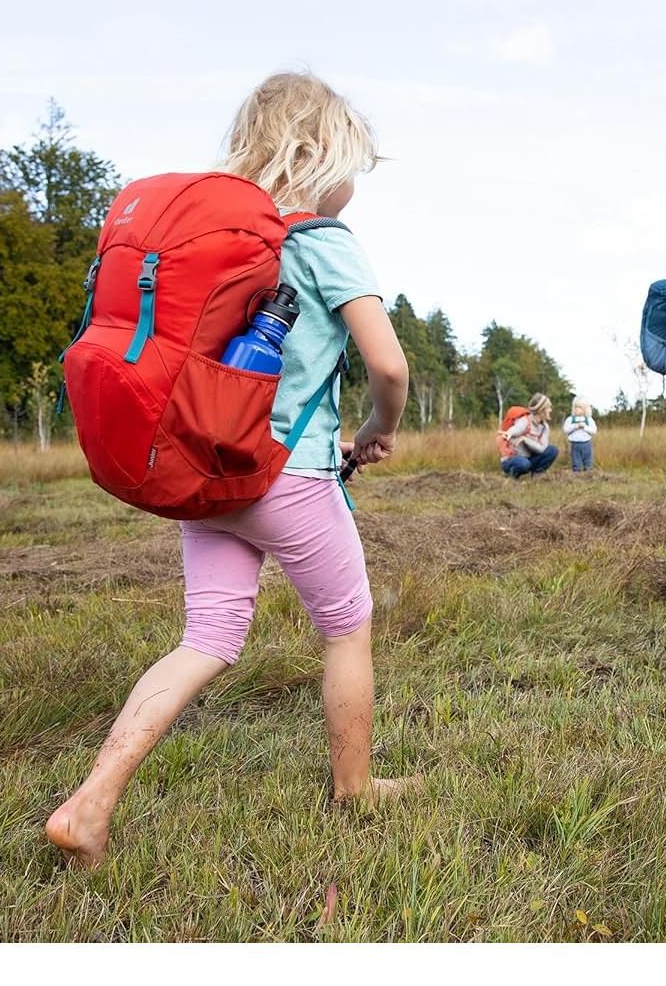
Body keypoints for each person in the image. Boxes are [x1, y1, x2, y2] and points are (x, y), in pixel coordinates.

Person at [47, 73, 417, 867]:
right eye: (353, 166)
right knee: (347, 624)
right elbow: (388, 365)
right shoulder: (323, 241)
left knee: (207, 636)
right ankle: (354, 788)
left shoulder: (231, 245)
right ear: (322, 158)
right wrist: (379, 430)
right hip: (288, 475)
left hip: (206, 469)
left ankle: (92, 800)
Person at [499, 393, 558, 478]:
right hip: (513, 459)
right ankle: (511, 475)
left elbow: (542, 449)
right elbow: (516, 428)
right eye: (549, 407)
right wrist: (509, 433)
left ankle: (537, 475)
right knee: (524, 464)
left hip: (529, 458)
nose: (550, 410)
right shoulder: (525, 421)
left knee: (552, 450)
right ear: (541, 409)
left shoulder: (545, 428)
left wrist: (525, 440)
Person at [563, 397, 597, 471]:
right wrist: (575, 427)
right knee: (576, 463)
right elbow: (565, 430)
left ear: (585, 409)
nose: (577, 409)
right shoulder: (570, 419)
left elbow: (594, 430)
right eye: (575, 407)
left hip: (586, 444)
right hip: (575, 445)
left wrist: (584, 426)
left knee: (588, 462)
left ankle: (589, 476)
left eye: (580, 407)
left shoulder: (589, 419)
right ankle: (577, 477)